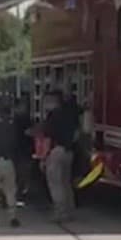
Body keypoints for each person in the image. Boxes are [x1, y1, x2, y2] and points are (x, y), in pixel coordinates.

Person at [42, 90, 78, 222]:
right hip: (69, 152)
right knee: (66, 183)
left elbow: (47, 137)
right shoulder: (70, 114)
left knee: (55, 183)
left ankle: (60, 212)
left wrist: (44, 156)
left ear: (55, 101)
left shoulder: (53, 116)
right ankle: (70, 210)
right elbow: (76, 134)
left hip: (56, 151)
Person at [12, 99, 35, 200]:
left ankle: (18, 193)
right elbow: (29, 132)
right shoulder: (23, 119)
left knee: (19, 173)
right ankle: (19, 192)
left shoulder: (13, 120)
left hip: (18, 150)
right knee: (23, 173)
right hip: (23, 150)